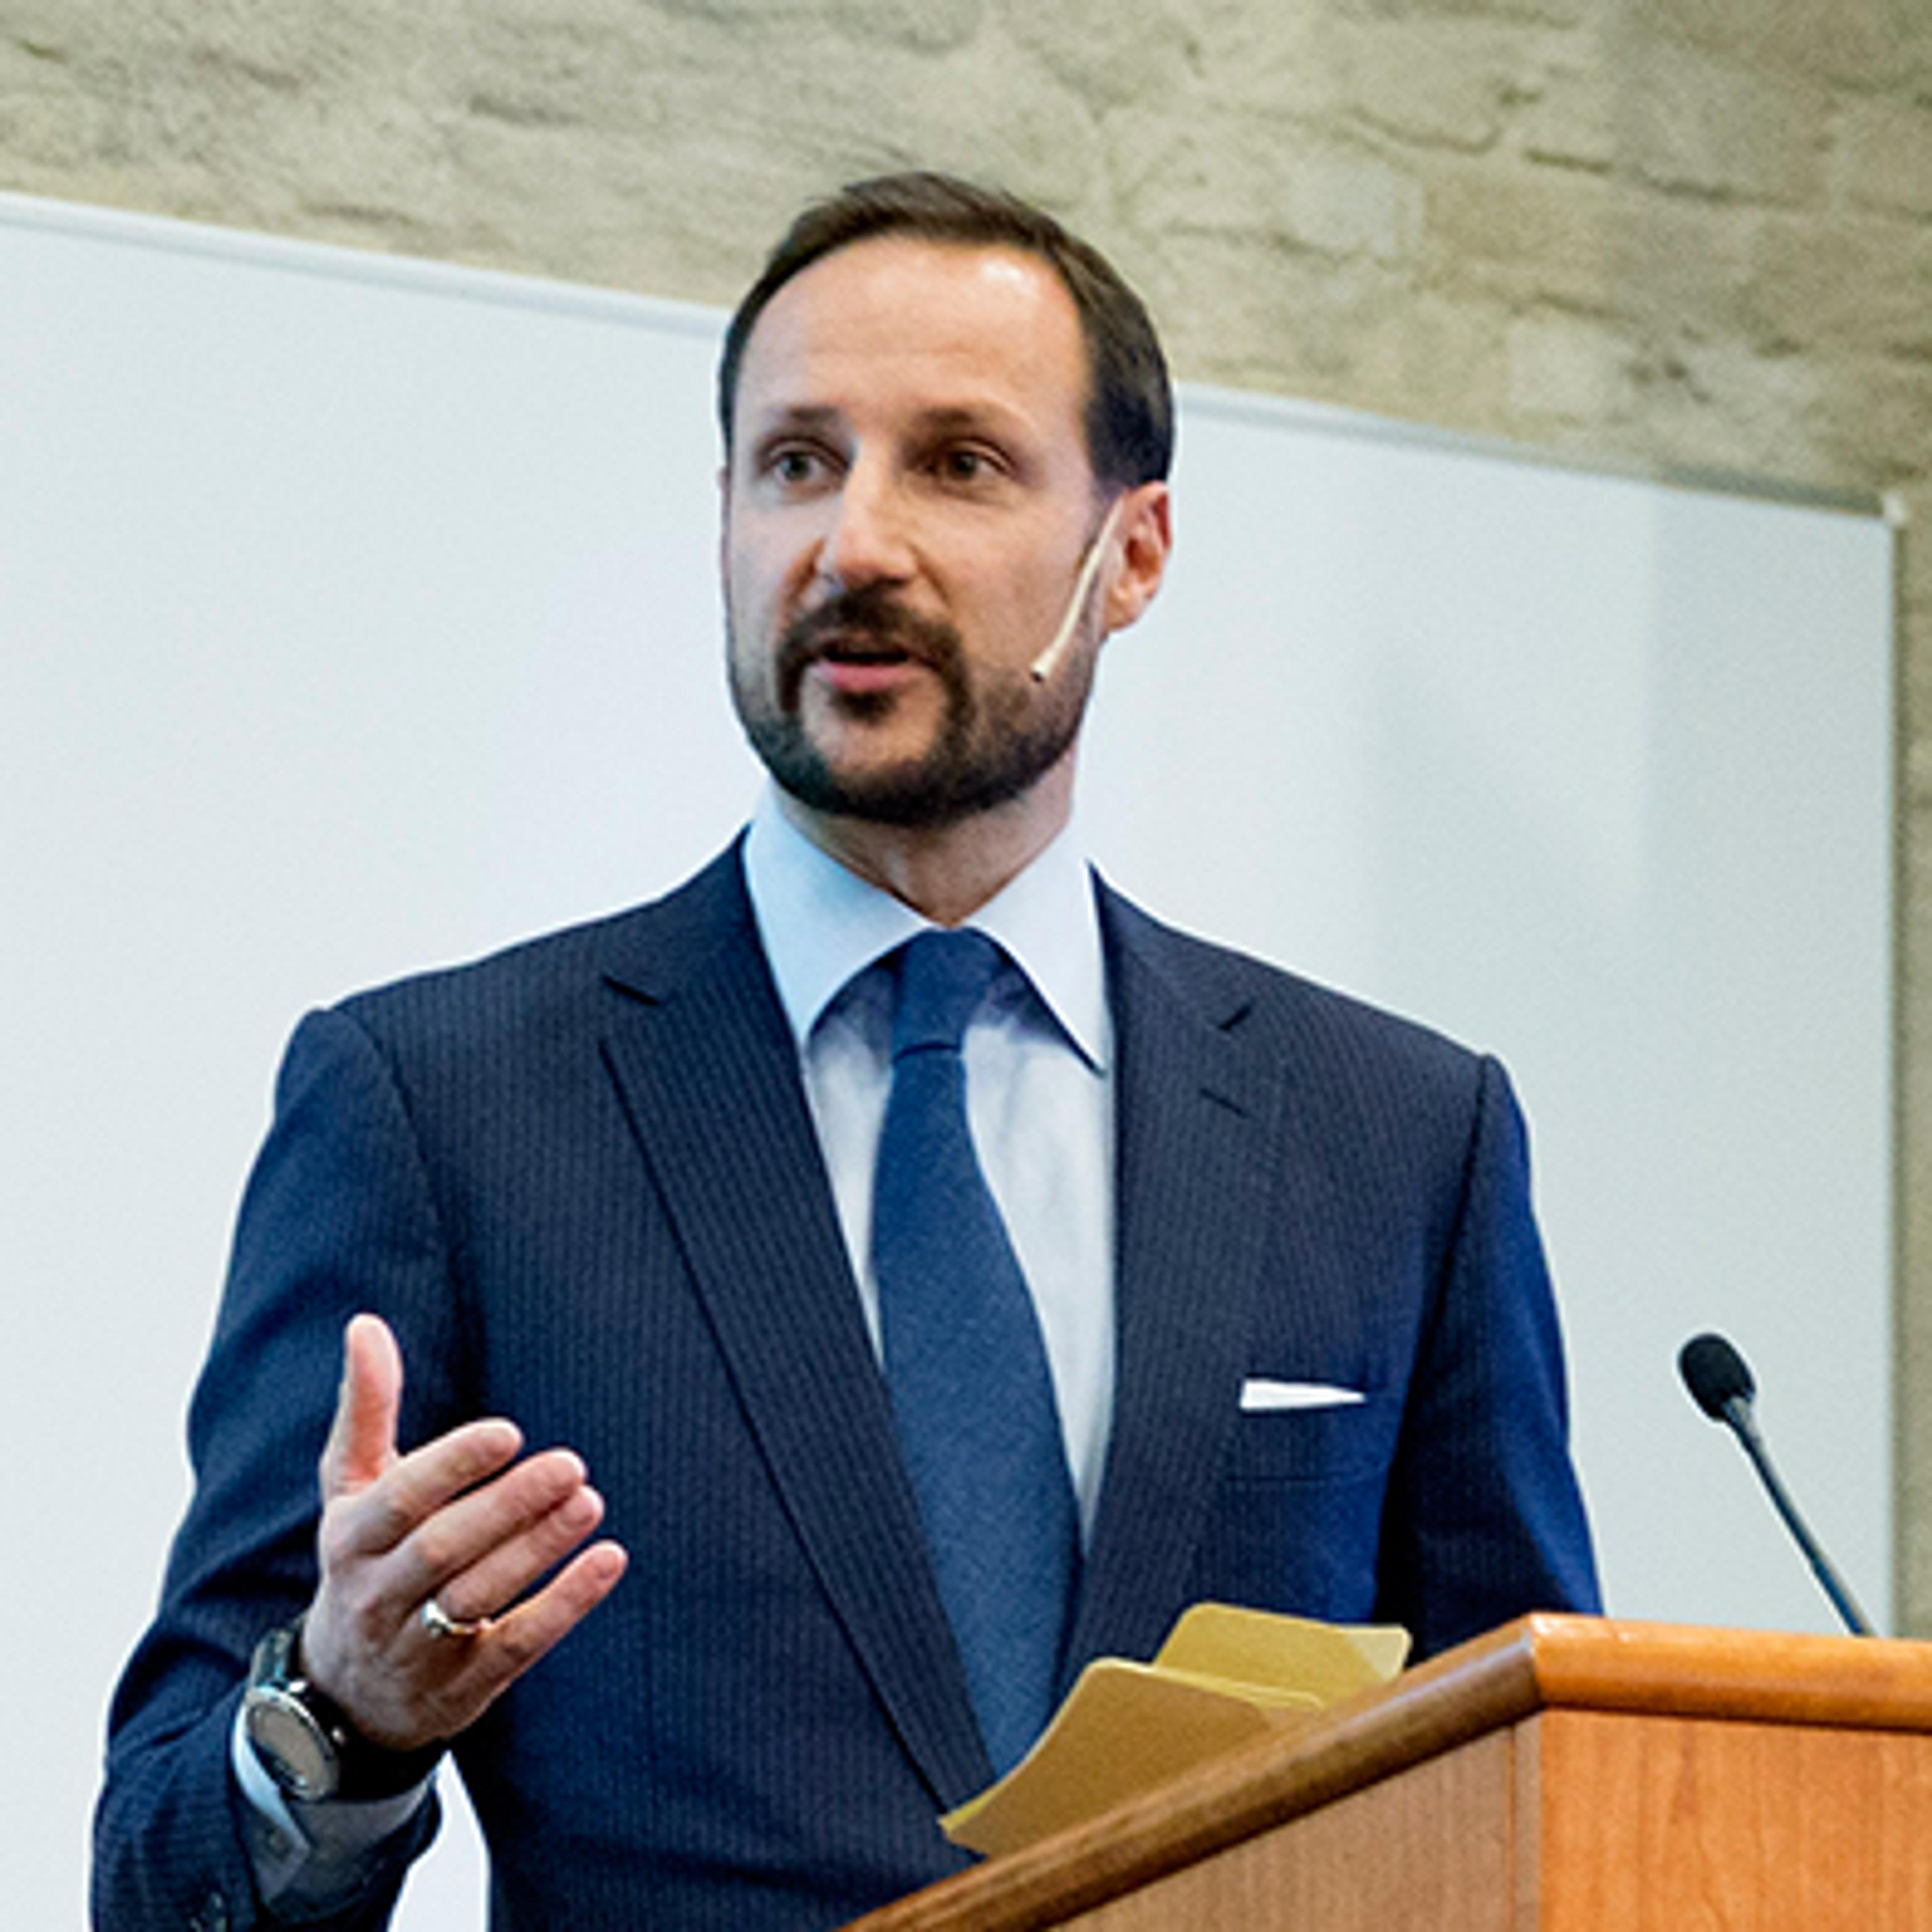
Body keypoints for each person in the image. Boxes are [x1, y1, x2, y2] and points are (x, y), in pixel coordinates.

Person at [93, 172, 1599, 1931]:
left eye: (959, 463)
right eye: (798, 463)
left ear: (1133, 554)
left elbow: (1542, 1792)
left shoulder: (1400, 1138)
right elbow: (155, 1875)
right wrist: (339, 1718)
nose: (856, 543)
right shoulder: (440, 1109)